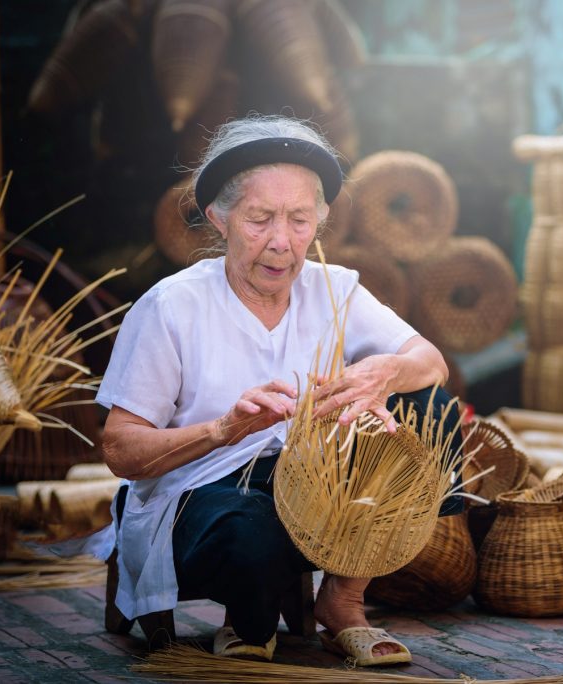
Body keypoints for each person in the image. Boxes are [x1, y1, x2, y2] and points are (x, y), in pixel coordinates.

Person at [96, 114, 460, 666]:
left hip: (317, 491)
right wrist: (223, 430)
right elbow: (120, 449)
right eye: (260, 219)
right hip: (206, 494)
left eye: (298, 219)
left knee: (432, 409)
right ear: (218, 218)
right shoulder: (173, 306)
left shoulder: (335, 290)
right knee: (251, 529)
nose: (281, 242)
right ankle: (249, 619)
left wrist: (383, 373)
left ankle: (343, 600)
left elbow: (429, 363)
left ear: (321, 220)